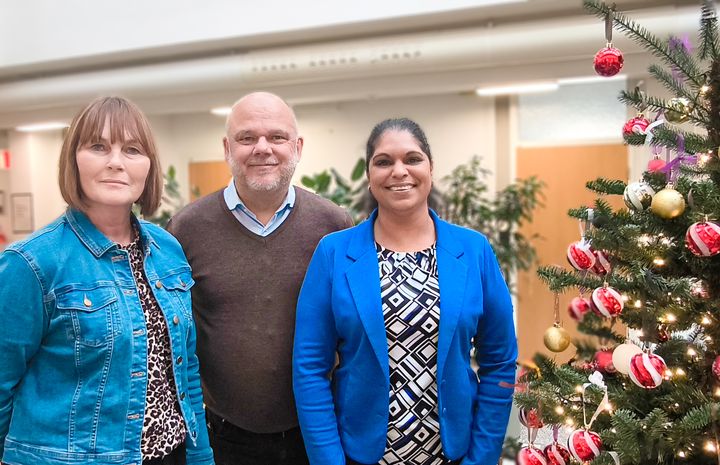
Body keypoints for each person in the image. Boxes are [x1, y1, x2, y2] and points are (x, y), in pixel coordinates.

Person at [0, 97, 214, 465]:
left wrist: (202, 456)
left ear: (148, 167)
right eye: (98, 146)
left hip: (173, 455)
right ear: (74, 159)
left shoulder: (167, 248)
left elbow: (186, 369)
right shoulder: (32, 263)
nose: (116, 161)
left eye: (132, 149)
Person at [293, 118, 518, 465]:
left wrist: (482, 457)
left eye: (412, 159)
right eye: (384, 161)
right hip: (359, 455)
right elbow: (309, 368)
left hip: (454, 456)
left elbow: (500, 361)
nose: (399, 171)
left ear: (430, 169)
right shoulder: (334, 253)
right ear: (369, 176)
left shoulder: (474, 251)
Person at [167, 91, 353, 465]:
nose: (262, 148)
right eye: (247, 137)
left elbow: (351, 330)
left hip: (316, 431)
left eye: (277, 137)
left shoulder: (333, 227)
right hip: (224, 436)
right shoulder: (185, 230)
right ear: (227, 148)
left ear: (297, 147)